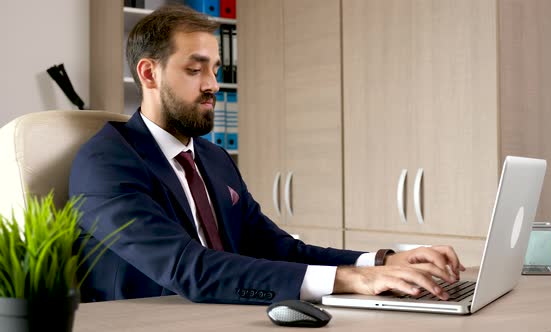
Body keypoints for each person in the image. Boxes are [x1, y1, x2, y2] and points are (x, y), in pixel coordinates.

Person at [69, 5, 464, 304]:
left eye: (216, 69)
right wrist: (351, 281)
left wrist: (377, 263)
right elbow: (189, 269)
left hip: (230, 313)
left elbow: (276, 246)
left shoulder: (213, 158)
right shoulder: (106, 163)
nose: (213, 86)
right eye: (195, 70)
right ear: (149, 74)